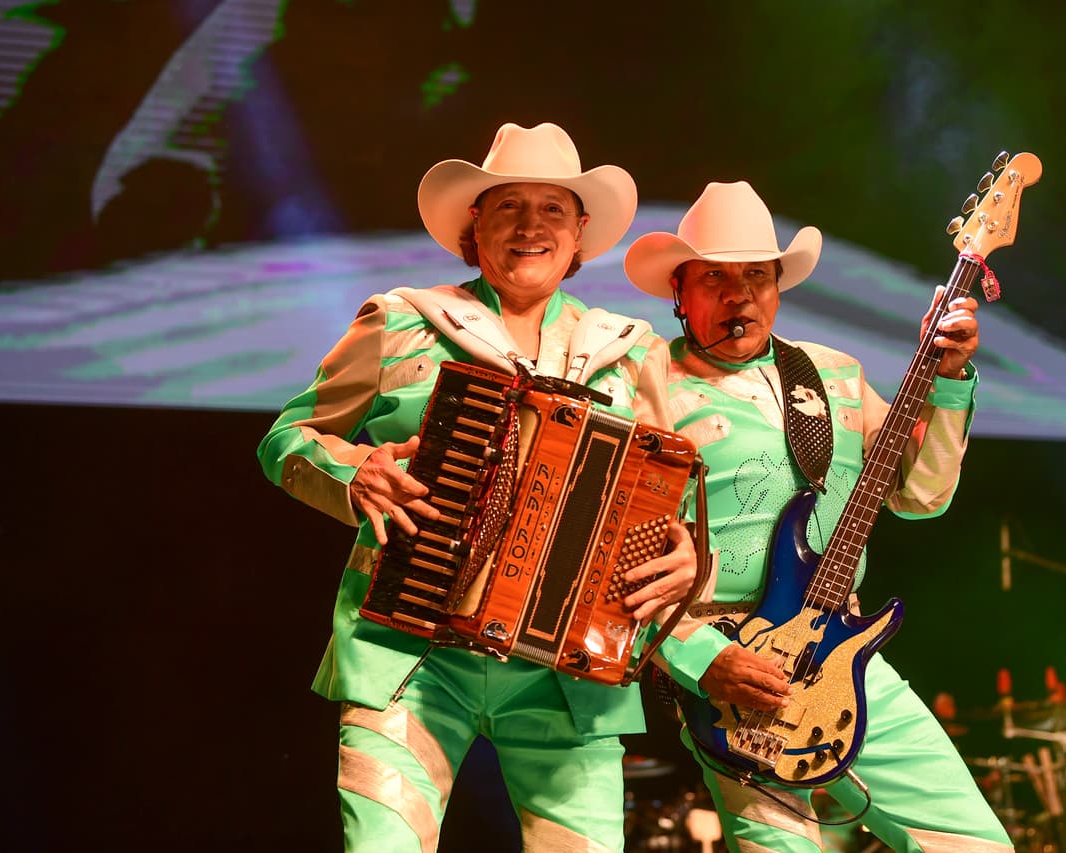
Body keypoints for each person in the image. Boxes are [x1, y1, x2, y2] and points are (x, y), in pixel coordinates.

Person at [257, 122, 715, 852]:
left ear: (579, 233)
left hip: (570, 673)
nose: (531, 226)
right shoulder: (401, 321)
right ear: (477, 224)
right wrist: (357, 471)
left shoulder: (633, 353)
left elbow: (675, 499)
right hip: (410, 652)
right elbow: (286, 438)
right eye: (508, 206)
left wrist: (689, 560)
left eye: (552, 210)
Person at [623, 181, 1013, 852]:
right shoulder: (644, 379)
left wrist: (947, 379)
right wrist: (701, 658)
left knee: (976, 843)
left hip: (846, 659)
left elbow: (922, 496)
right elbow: (612, 553)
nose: (738, 293)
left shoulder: (831, 373)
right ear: (678, 292)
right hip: (734, 677)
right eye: (714, 277)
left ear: (777, 286)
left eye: (756, 275)